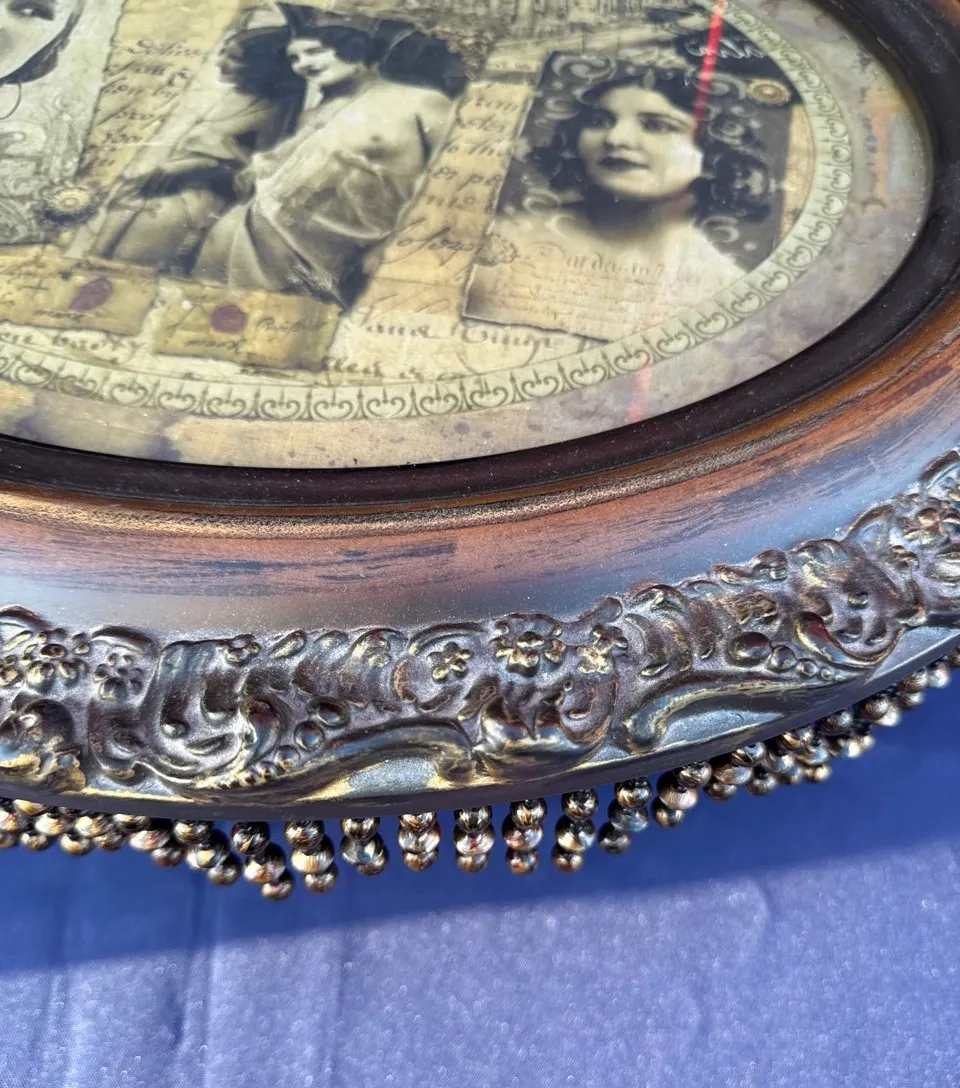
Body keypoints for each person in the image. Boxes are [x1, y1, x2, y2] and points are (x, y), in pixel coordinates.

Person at [467, 63, 772, 341]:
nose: (615, 138)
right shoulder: (501, 241)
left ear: (715, 152)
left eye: (657, 125)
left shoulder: (725, 289)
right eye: (599, 121)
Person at [192, 16, 459, 305]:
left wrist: (392, 245)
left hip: (340, 259)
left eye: (314, 51)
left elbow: (454, 181)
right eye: (294, 58)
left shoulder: (422, 101)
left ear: (353, 48)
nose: (303, 64)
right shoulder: (316, 114)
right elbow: (267, 175)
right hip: (250, 246)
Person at [88, 25, 305, 272]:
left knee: (127, 266)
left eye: (234, 58)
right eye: (223, 53)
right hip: (150, 188)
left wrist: (201, 166)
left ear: (262, 65)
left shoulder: (276, 112)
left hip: (196, 198)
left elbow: (262, 179)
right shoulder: (220, 95)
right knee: (96, 259)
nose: (220, 62)